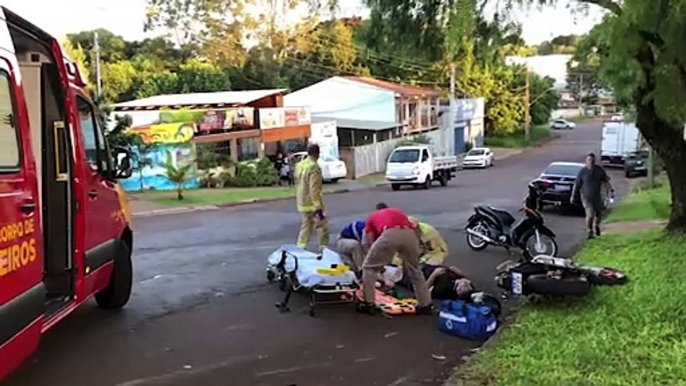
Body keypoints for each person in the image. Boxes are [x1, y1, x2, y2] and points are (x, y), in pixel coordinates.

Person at [358, 204, 432, 315]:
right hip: (409, 235)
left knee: (369, 267)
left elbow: (369, 241)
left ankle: (369, 303)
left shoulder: (372, 217)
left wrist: (377, 260)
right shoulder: (396, 211)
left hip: (390, 233)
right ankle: (425, 304)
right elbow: (413, 228)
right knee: (414, 269)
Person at [295, 144, 329, 252]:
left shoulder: (300, 165)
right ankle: (323, 249)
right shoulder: (314, 167)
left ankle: (300, 247)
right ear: (317, 154)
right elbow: (314, 188)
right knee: (322, 226)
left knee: (306, 225)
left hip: (301, 201)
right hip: (312, 203)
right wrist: (318, 206)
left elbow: (297, 181)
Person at [572, 153, 613, 239]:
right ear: (586, 161)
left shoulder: (599, 170)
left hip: (597, 196)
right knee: (590, 214)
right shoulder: (582, 172)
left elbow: (606, 181)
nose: (591, 162)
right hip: (586, 197)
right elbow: (577, 185)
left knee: (599, 213)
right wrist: (573, 196)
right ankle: (589, 231)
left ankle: (596, 225)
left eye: (592, 160)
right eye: (589, 160)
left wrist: (610, 190)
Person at [400, 264, 474, 301]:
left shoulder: (444, 289)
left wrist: (434, 274)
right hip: (423, 267)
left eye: (465, 284)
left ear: (458, 290)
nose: (467, 281)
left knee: (395, 271)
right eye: (467, 283)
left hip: (412, 277)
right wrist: (461, 274)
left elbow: (423, 290)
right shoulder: (458, 278)